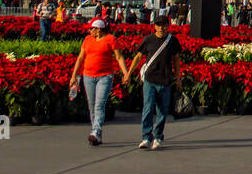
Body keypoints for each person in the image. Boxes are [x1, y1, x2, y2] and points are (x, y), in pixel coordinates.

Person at [123, 12, 182, 150]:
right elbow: (138, 57)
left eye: (164, 25)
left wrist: (178, 78)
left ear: (168, 26)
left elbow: (177, 60)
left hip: (165, 80)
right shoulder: (148, 40)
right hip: (150, 79)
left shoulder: (172, 41)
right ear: (154, 27)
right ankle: (146, 137)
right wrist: (129, 73)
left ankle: (158, 137)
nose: (161, 28)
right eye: (158, 25)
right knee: (148, 109)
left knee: (162, 111)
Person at [69, 19, 128, 145]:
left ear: (99, 29)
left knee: (99, 105)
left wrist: (125, 73)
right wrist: (74, 76)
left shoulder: (110, 39)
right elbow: (80, 57)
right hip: (88, 76)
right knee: (91, 105)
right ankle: (97, 134)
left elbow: (119, 57)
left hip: (105, 76)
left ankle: (95, 131)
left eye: (91, 28)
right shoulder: (88, 40)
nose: (89, 30)